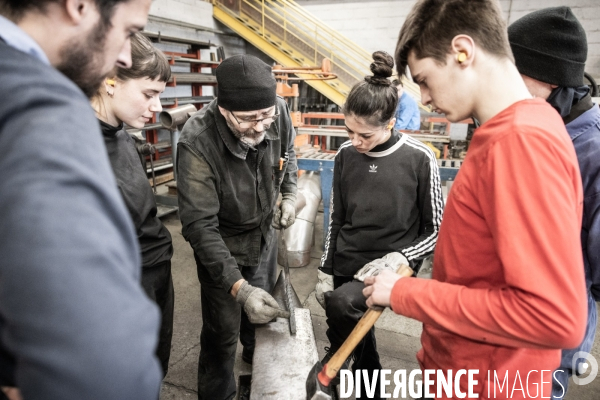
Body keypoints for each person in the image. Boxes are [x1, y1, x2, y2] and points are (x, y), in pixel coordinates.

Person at [363, 0, 587, 398]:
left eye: (426, 79)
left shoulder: (519, 142)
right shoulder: (526, 125)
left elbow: (553, 316)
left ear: (463, 52)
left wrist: (405, 293)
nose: (425, 98)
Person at [0, 1, 162, 400]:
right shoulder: (40, 106)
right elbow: (101, 366)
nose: (123, 56)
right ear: (79, 6)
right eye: (127, 31)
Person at [315, 51, 443, 398]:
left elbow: (436, 229)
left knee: (343, 305)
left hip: (391, 262)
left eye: (365, 135)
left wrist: (399, 258)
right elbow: (337, 218)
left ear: (390, 123)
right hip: (349, 255)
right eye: (349, 131)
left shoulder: (419, 158)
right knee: (335, 300)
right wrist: (326, 267)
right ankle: (362, 368)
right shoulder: (344, 156)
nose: (355, 142)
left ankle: (358, 366)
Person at [177, 54, 297, 400]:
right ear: (223, 110)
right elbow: (200, 226)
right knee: (222, 332)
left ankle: (253, 352)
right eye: (247, 120)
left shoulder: (277, 111)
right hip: (222, 242)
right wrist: (239, 289)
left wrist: (288, 196)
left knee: (262, 318)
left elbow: (286, 152)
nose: (259, 128)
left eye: (265, 117)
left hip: (264, 233)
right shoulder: (197, 141)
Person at [508, 7, 600, 399]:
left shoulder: (591, 148)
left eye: (514, 76)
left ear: (549, 80)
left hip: (558, 318)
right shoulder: (537, 127)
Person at [91, 32, 175, 377]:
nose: (157, 106)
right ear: (111, 80)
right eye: (149, 94)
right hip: (123, 288)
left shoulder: (123, 135)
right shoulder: (80, 147)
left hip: (155, 272)